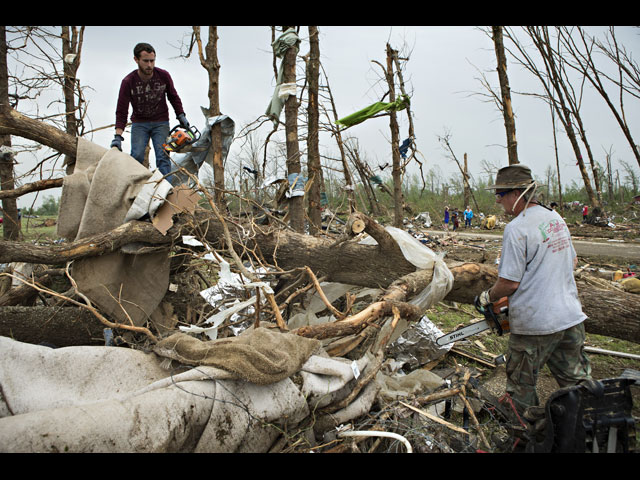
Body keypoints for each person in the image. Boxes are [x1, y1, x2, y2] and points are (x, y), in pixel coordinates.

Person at [476, 164, 591, 417]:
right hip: (570, 318)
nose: (498, 201)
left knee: (520, 387)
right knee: (578, 385)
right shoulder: (555, 218)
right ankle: (590, 430)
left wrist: (488, 297)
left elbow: (509, 282)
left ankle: (523, 436)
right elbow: (571, 262)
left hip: (536, 326)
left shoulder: (517, 228)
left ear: (517, 193)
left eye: (501, 195)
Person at [111, 42, 189, 177]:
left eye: (152, 61)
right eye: (145, 61)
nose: (149, 65)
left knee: (163, 157)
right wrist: (118, 136)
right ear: (136, 60)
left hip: (161, 122)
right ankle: (134, 189)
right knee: (136, 156)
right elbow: (122, 110)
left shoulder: (163, 76)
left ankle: (165, 192)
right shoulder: (128, 81)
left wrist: (181, 115)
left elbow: (173, 97)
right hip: (139, 123)